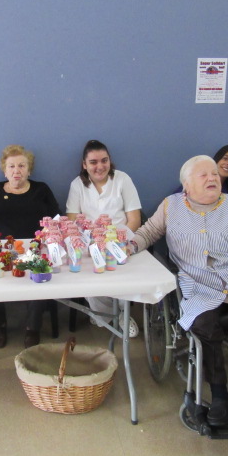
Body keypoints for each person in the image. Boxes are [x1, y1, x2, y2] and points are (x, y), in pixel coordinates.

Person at [131, 155, 228, 436]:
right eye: (204, 175)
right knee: (204, 325)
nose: (213, 178)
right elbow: (148, 232)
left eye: (215, 174)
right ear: (186, 185)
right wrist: (126, 247)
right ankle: (219, 396)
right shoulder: (171, 206)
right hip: (200, 286)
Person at [0, 145, 61, 348]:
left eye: (21, 165)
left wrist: (48, 235)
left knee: (39, 273)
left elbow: (56, 218)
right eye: (11, 166)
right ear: (4, 170)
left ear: (29, 170)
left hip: (34, 249)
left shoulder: (41, 190)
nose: (16, 170)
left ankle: (32, 328)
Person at [65, 139, 142, 337]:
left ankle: (123, 314)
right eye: (93, 162)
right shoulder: (77, 185)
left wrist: (118, 241)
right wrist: (91, 241)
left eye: (104, 160)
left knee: (124, 275)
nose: (100, 166)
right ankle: (106, 314)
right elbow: (72, 220)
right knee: (87, 275)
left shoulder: (122, 179)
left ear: (110, 160)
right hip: (89, 243)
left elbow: (135, 219)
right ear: (84, 164)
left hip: (121, 241)